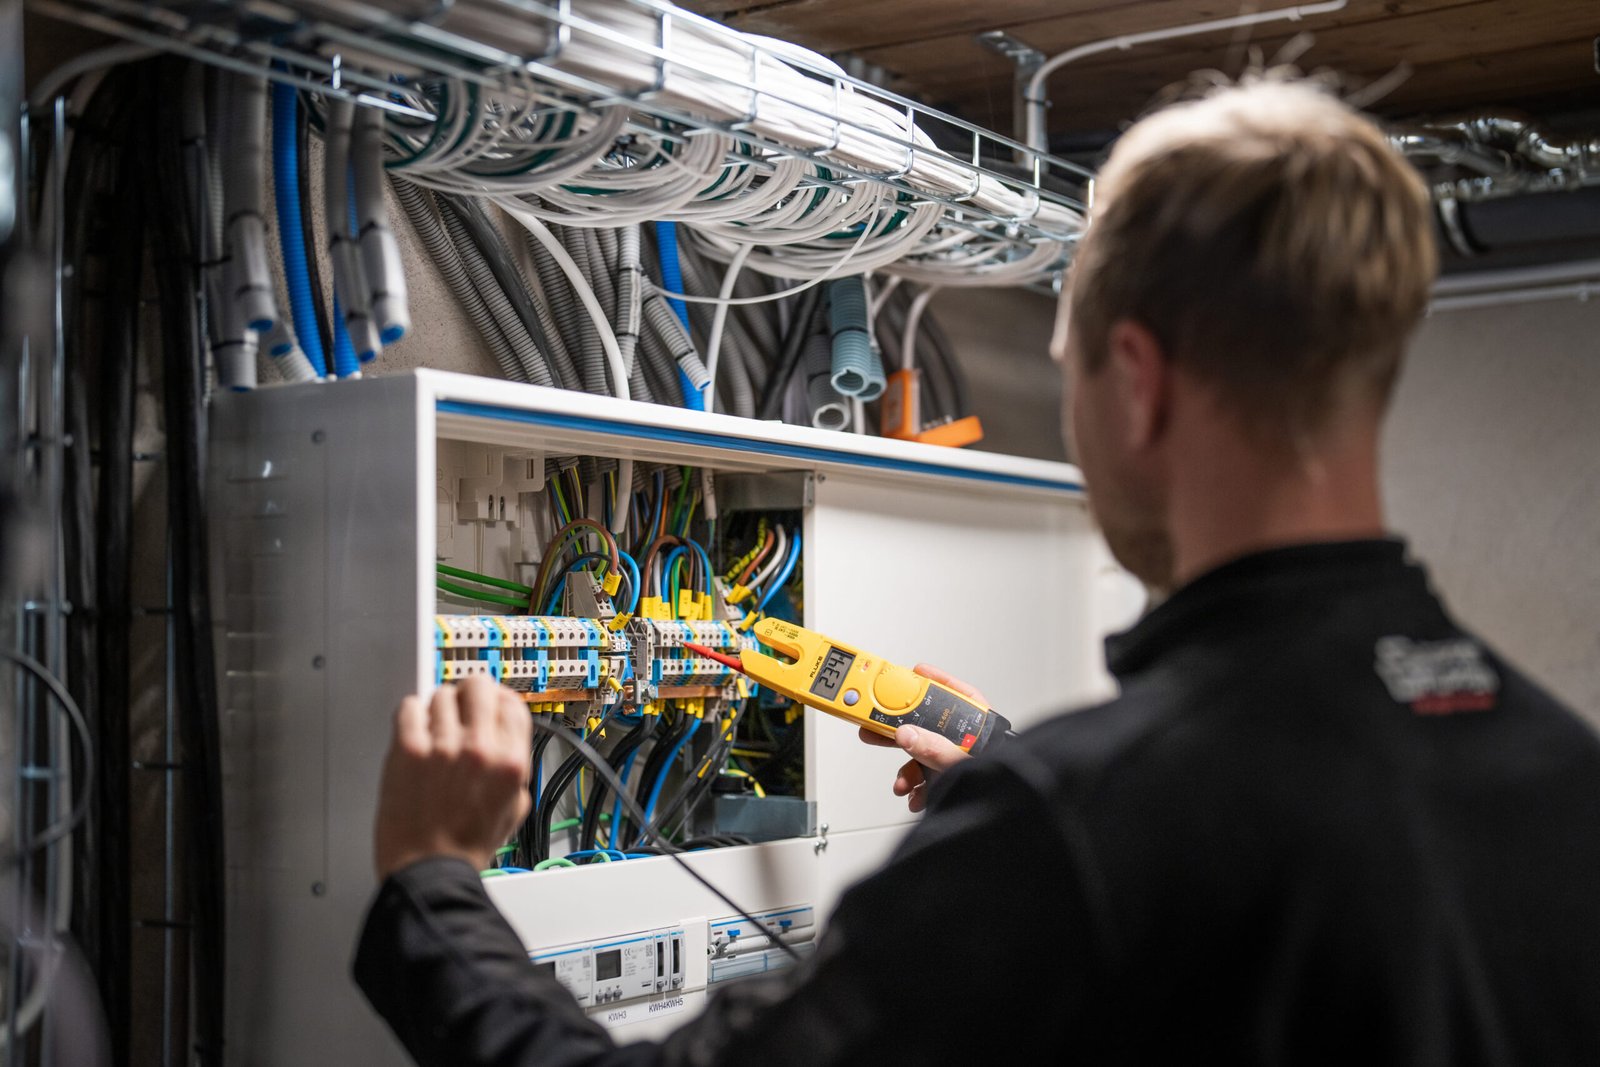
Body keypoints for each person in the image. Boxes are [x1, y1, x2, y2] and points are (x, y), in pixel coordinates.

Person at [352, 78, 1600, 1064]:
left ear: (1136, 381)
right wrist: (1010, 789)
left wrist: (432, 875)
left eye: (1069, 373)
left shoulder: (1080, 822)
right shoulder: (1560, 763)